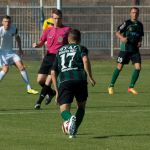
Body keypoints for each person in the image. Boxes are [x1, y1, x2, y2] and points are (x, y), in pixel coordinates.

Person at [51, 29, 96, 138]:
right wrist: (90, 77)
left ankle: (69, 119)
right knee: (81, 107)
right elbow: (85, 60)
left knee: (64, 110)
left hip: (64, 80)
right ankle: (73, 131)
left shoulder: (60, 50)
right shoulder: (81, 48)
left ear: (68, 39)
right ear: (79, 39)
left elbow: (53, 72)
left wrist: (57, 91)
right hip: (80, 79)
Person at [33, 9, 71, 109]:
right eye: (55, 18)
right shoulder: (48, 30)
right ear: (52, 18)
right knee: (40, 80)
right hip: (48, 57)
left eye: (58, 18)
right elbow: (41, 42)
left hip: (58, 58)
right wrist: (37, 45)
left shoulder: (67, 30)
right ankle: (51, 92)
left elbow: (71, 43)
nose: (57, 20)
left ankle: (38, 102)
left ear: (61, 18)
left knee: (48, 80)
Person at [108, 7, 144, 95]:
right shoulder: (127, 23)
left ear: (138, 14)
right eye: (133, 12)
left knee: (138, 68)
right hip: (125, 49)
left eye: (136, 13)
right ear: (130, 13)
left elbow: (140, 36)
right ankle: (111, 86)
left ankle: (131, 87)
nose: (134, 14)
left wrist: (139, 42)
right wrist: (122, 38)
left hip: (135, 50)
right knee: (119, 67)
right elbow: (117, 32)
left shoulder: (140, 25)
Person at [0, 15, 38, 94]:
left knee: (21, 67)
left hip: (11, 52)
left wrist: (20, 49)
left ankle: (29, 88)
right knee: (5, 69)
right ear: (2, 22)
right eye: (5, 22)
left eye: (9, 22)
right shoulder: (0, 30)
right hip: (2, 53)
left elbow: (18, 38)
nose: (7, 23)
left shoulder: (14, 29)